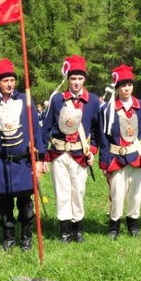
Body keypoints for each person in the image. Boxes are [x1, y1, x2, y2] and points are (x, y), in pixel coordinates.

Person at [0, 58, 45, 251]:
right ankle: (8, 238)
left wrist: (39, 161)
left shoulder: (26, 101)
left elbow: (36, 132)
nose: (9, 84)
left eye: (12, 80)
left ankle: (26, 238)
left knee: (25, 204)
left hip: (23, 162)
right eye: (5, 80)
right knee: (4, 206)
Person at [40, 55, 101, 243]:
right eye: (73, 78)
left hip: (79, 153)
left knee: (78, 191)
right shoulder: (57, 100)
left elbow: (97, 129)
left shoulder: (93, 101)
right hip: (59, 153)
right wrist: (41, 157)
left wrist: (92, 149)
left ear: (85, 79)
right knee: (62, 191)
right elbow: (45, 128)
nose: (76, 82)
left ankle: (78, 229)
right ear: (68, 79)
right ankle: (65, 231)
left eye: (80, 78)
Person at [99, 64, 141, 239]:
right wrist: (104, 163)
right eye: (123, 85)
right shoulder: (109, 109)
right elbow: (104, 138)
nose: (127, 88)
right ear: (117, 88)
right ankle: (114, 226)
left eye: (129, 84)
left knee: (136, 194)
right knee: (117, 194)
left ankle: (133, 224)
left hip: (136, 156)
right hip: (116, 158)